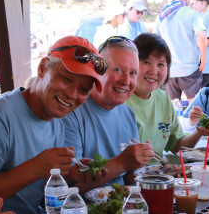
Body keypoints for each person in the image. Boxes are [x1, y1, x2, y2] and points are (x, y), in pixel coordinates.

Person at [0, 36, 105, 214]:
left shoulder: (57, 119)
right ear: (42, 68)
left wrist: (70, 175)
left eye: (84, 90)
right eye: (66, 79)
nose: (72, 94)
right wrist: (35, 168)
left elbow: (38, 192)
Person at [63, 36, 155, 185]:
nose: (126, 81)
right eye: (118, 70)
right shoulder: (71, 112)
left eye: (133, 73)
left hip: (123, 199)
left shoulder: (127, 113)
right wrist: (122, 162)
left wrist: (139, 162)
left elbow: (130, 178)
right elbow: (71, 186)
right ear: (97, 70)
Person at [125, 33, 209, 162]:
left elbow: (177, 146)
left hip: (160, 172)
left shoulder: (163, 98)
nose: (153, 71)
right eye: (146, 62)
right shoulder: (120, 100)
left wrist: (200, 132)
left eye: (160, 64)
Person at [157, 0, 208, 101]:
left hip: (171, 69)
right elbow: (202, 35)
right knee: (194, 105)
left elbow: (156, 39)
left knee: (173, 106)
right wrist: (203, 59)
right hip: (189, 68)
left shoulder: (162, 15)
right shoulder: (191, 13)